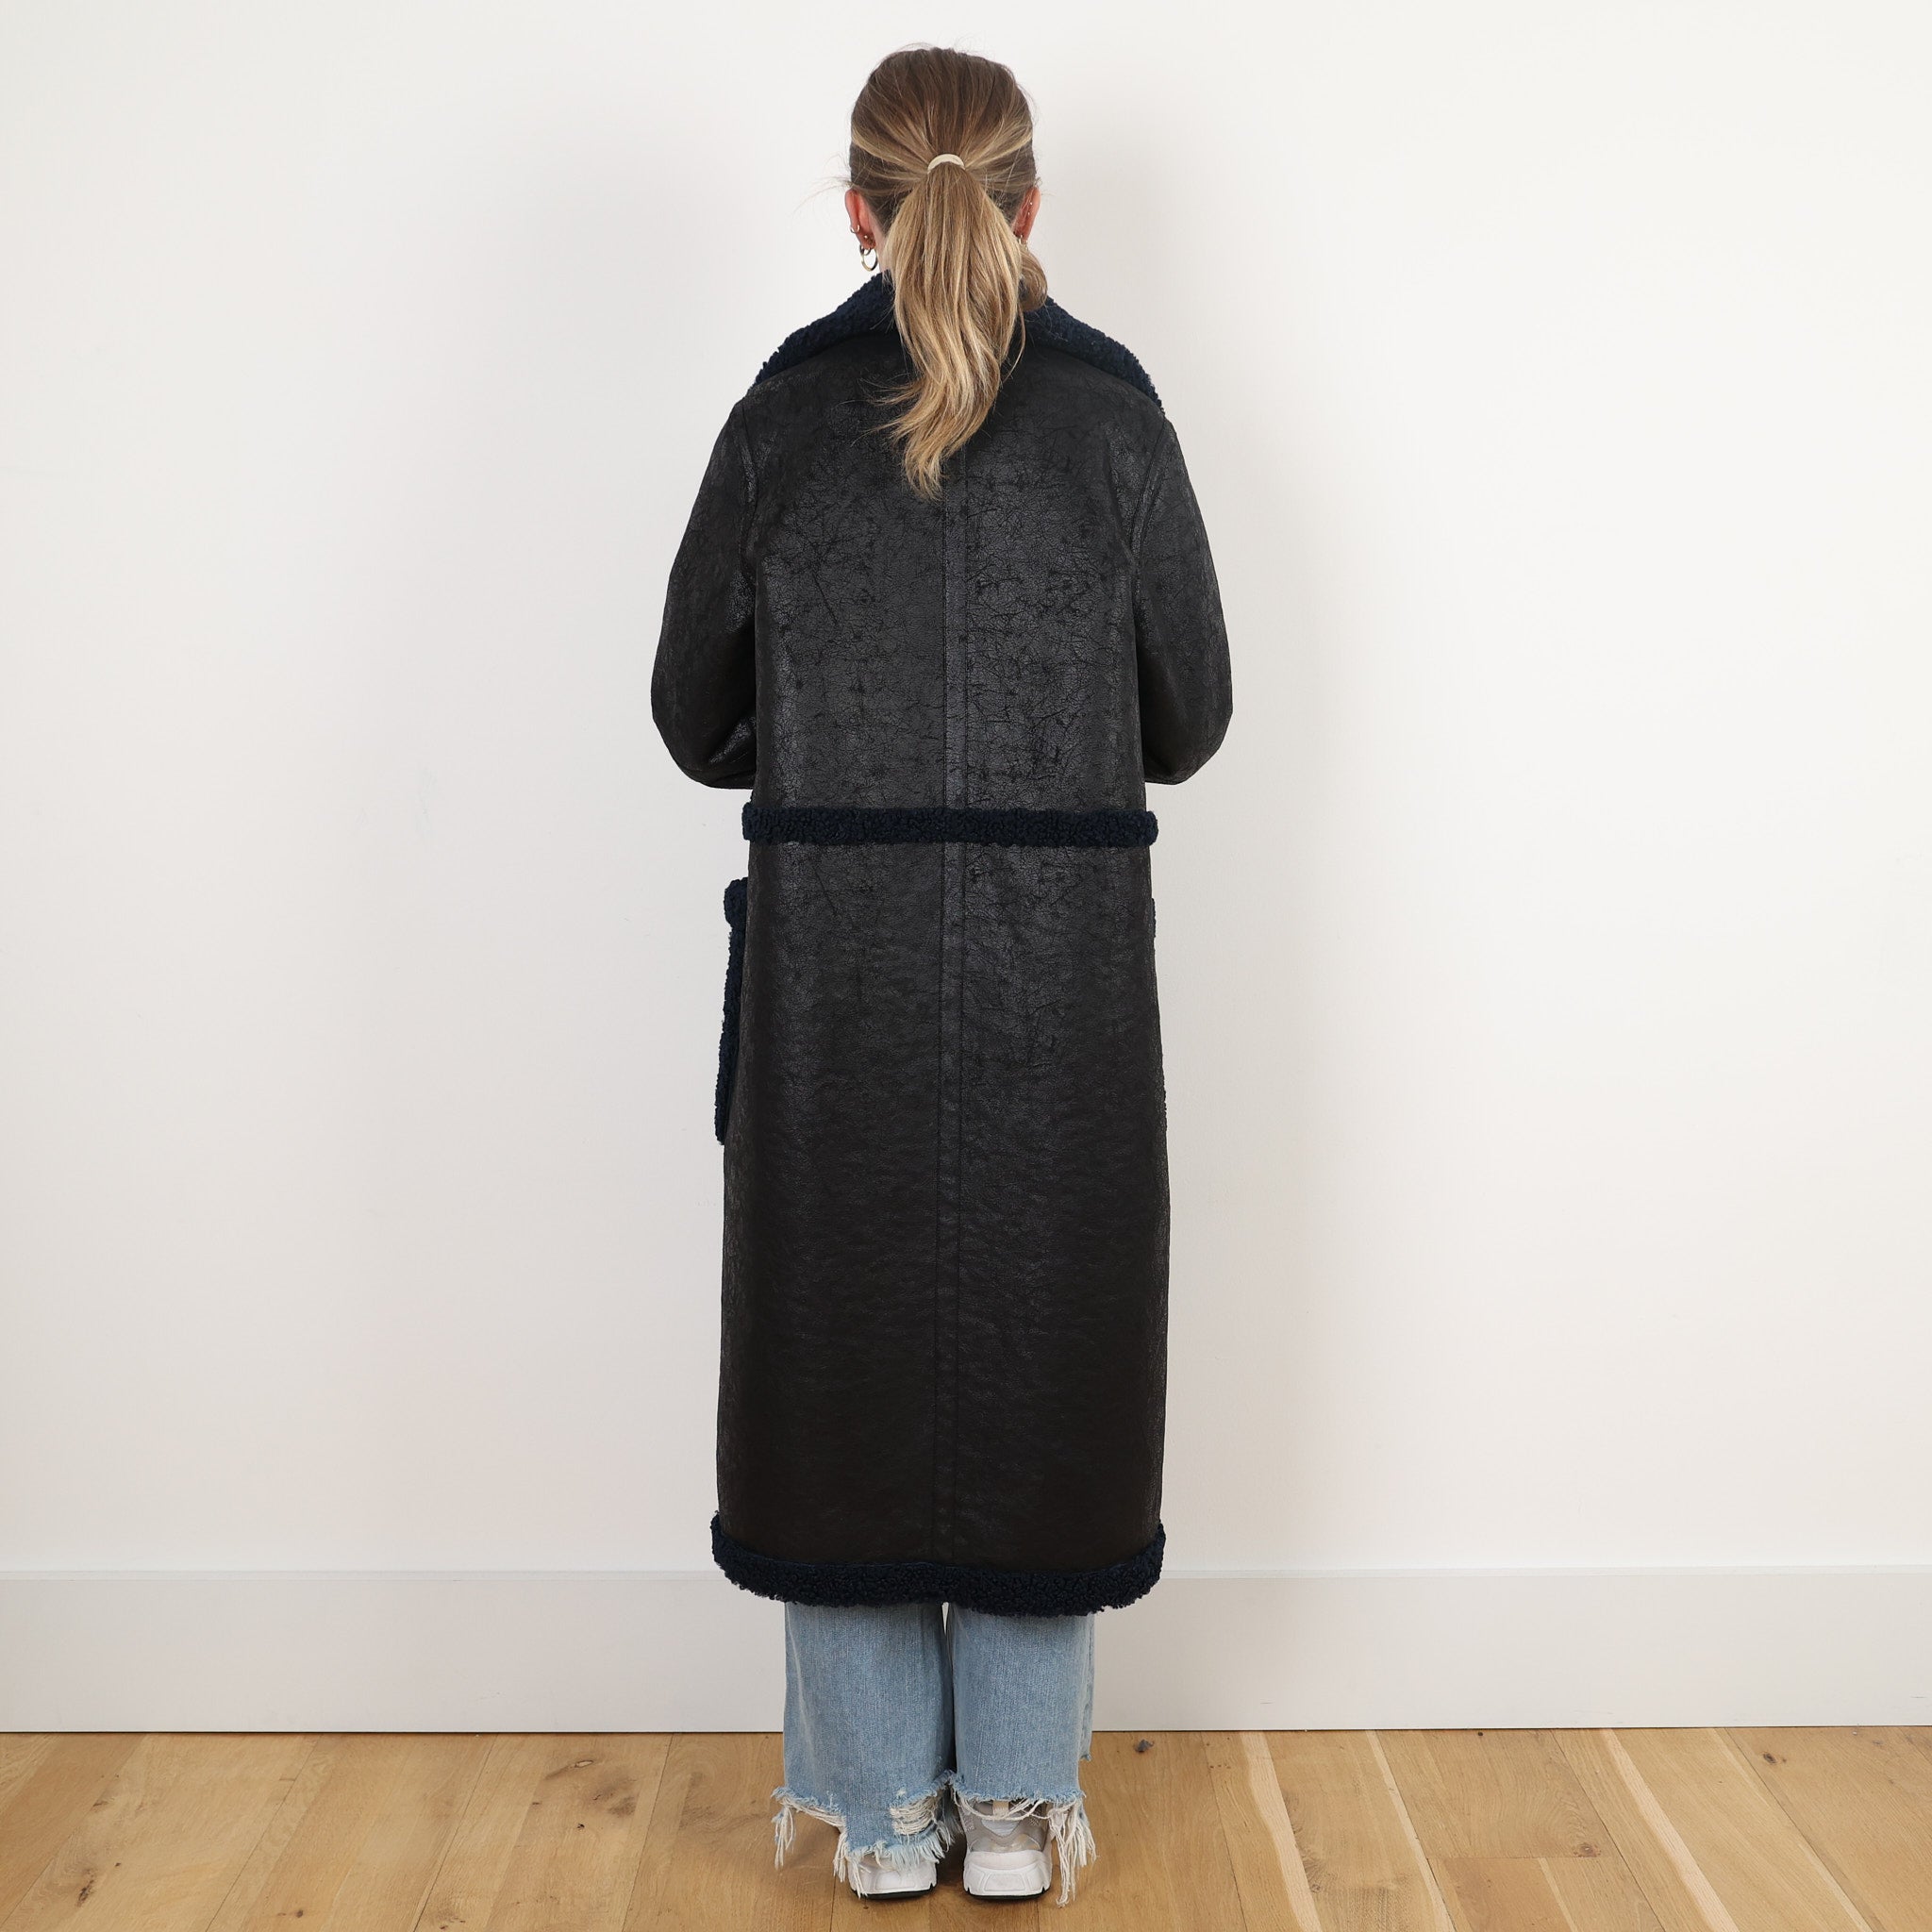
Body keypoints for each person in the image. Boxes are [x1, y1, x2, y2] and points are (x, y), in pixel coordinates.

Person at [652, 43, 1233, 1906]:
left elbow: (692, 714)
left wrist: (844, 756)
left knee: (840, 1361)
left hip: (843, 980)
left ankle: (882, 1818)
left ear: (856, 209)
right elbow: (1189, 716)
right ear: (1030, 201)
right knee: (1045, 1360)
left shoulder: (781, 414)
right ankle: (1015, 1813)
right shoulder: (1116, 420)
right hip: (1061, 985)